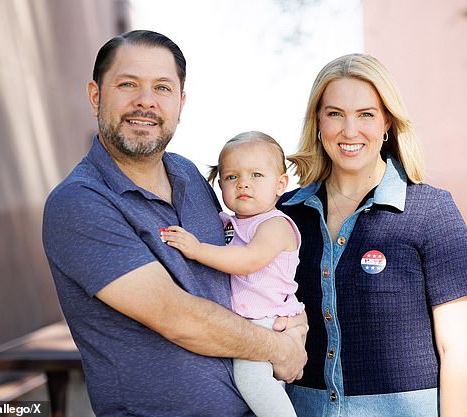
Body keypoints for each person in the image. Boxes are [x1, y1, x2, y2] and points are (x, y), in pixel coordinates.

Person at [42, 30, 307, 417]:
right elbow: (179, 317)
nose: (146, 101)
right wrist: (278, 347)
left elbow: (237, 271)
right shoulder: (81, 203)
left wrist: (293, 323)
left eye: (162, 88)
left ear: (180, 103)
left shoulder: (188, 175)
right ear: (96, 95)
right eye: (128, 84)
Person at [277, 53, 467, 417]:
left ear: (386, 121)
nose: (350, 130)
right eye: (335, 113)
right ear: (318, 121)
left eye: (366, 114)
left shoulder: (430, 212)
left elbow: (458, 349)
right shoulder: (285, 215)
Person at [161, 131, 304, 417]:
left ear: (280, 184)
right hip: (248, 320)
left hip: (267, 320)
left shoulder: (275, 225)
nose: (243, 184)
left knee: (252, 378)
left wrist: (197, 249)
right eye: (231, 177)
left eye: (256, 175)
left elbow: (249, 260)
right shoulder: (227, 222)